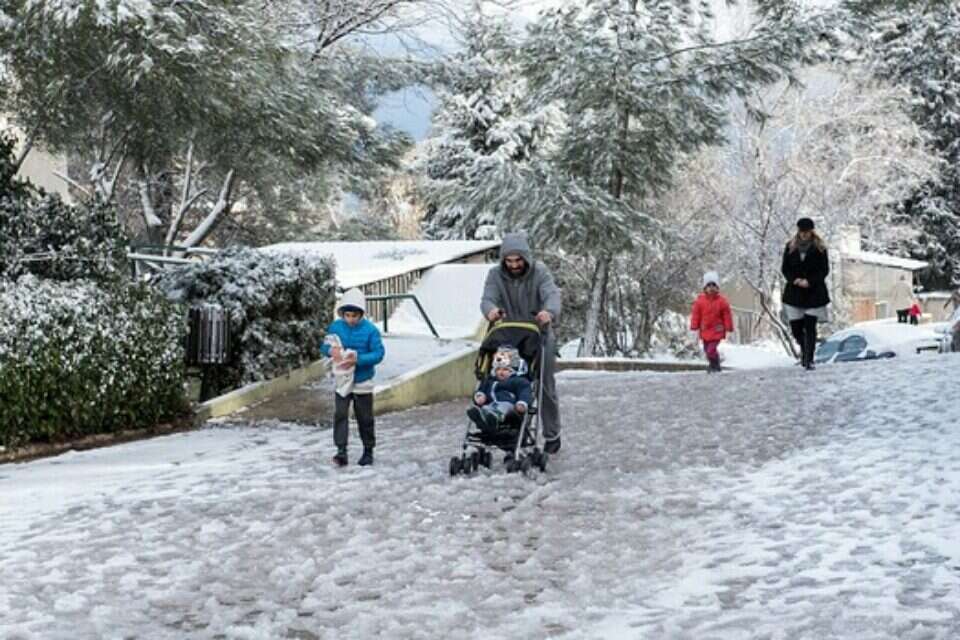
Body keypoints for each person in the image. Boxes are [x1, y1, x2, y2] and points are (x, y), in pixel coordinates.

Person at [481, 232, 563, 453]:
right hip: (509, 338)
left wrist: (548, 312)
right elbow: (488, 298)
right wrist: (491, 311)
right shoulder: (495, 275)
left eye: (518, 260)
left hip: (538, 335)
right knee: (506, 381)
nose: (514, 265)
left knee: (544, 385)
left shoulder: (540, 272)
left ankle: (552, 434)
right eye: (509, 261)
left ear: (526, 258)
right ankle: (511, 429)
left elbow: (551, 295)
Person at [319, 288, 385, 467]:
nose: (350, 319)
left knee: (365, 417)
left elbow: (379, 353)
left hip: (362, 380)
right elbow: (324, 346)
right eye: (347, 315)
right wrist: (331, 351)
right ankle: (341, 451)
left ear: (361, 314)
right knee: (340, 414)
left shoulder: (371, 331)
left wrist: (358, 359)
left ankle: (368, 450)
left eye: (354, 315)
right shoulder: (335, 327)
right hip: (342, 379)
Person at [781, 217, 830, 370]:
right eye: (802, 232)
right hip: (794, 292)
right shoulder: (790, 247)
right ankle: (804, 348)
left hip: (814, 292)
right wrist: (794, 280)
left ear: (811, 232)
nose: (804, 234)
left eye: (807, 232)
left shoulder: (820, 248)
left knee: (810, 326)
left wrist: (810, 281)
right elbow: (785, 268)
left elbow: (824, 269)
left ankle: (809, 359)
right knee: (796, 329)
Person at [467, 346, 533, 435]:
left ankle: (494, 417)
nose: (501, 372)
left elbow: (524, 392)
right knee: (485, 409)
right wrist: (480, 396)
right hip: (491, 404)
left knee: (502, 407)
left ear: (514, 371)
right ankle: (482, 420)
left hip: (510, 407)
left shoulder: (518, 381)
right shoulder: (490, 380)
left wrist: (522, 403)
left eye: (505, 369)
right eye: (498, 369)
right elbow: (481, 389)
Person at [690, 271, 734, 373]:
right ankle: (714, 365)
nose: (711, 288)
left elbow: (727, 315)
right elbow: (696, 315)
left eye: (713, 285)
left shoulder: (722, 301)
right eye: (709, 285)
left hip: (717, 330)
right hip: (705, 330)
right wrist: (694, 327)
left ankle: (715, 364)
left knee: (711, 350)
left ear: (717, 287)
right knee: (707, 351)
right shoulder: (700, 301)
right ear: (705, 288)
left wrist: (729, 328)